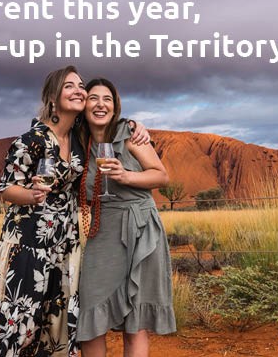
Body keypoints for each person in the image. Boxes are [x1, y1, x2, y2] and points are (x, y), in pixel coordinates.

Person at [0, 66, 150, 357]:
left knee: (56, 322)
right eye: (69, 86)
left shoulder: (79, 139)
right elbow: (6, 188)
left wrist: (133, 124)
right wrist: (30, 195)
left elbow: (108, 119)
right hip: (28, 242)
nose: (79, 90)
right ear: (53, 98)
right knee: (20, 319)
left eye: (80, 85)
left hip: (65, 244)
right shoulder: (30, 140)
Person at [77, 78, 176, 357]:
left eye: (107, 99)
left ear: (115, 105)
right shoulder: (78, 142)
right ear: (83, 105)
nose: (100, 104)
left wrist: (127, 176)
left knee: (136, 322)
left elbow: (162, 175)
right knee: (91, 314)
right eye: (93, 98)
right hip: (103, 230)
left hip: (140, 228)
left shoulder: (129, 133)